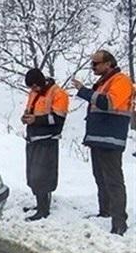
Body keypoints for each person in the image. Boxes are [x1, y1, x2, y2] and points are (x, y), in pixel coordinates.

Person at [71, 50, 134, 236]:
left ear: (108, 64)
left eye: (96, 64)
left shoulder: (121, 80)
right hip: (99, 139)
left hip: (111, 139)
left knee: (113, 180)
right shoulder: (104, 82)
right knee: (100, 177)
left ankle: (119, 222)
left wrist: (84, 91)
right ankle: (105, 211)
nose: (93, 67)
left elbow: (109, 103)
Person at [21, 69, 68, 221]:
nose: (32, 90)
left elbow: (58, 120)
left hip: (47, 140)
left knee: (43, 177)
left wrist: (36, 120)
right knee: (33, 176)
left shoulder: (58, 93)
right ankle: (39, 204)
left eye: (34, 86)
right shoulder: (34, 93)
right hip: (33, 138)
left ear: (40, 82)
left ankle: (43, 210)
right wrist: (26, 117)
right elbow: (31, 110)